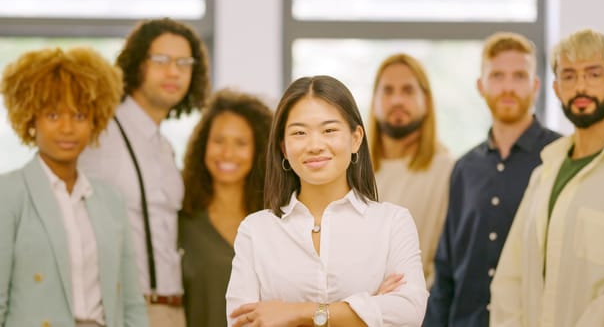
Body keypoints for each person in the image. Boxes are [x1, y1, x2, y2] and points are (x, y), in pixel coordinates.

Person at [225, 75, 428, 327]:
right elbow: (242, 322)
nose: (314, 145)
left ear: (355, 139)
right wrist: (367, 308)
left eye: (329, 130)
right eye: (299, 133)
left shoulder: (392, 222)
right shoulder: (256, 231)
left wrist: (295, 313)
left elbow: (408, 313)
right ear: (284, 148)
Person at [0, 47, 147, 327]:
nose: (67, 128)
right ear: (31, 120)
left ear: (95, 121)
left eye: (79, 116)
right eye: (53, 116)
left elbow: (131, 302)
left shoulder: (110, 200)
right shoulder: (7, 194)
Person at [79, 18, 210, 327]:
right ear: (137, 64)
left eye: (184, 63)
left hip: (171, 310)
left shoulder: (164, 147)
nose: (174, 72)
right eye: (161, 60)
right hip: (119, 310)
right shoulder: (100, 133)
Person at [424, 32, 560, 327]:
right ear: (480, 86)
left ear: (535, 86)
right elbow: (446, 268)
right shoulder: (464, 168)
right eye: (497, 76)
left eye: (519, 76)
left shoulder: (560, 157)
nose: (508, 87)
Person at [491, 29, 604, 326]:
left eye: (593, 74)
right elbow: (509, 280)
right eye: (569, 76)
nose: (581, 87)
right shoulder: (543, 174)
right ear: (556, 89)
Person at [178, 89, 273, 327]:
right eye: (218, 141)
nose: (227, 153)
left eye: (241, 143)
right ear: (203, 146)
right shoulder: (181, 221)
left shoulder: (276, 222)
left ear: (258, 151)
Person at [368, 53, 454, 287]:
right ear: (374, 102)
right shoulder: (352, 171)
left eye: (408, 91)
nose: (397, 100)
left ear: (426, 102)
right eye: (387, 91)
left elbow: (447, 261)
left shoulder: (447, 171)